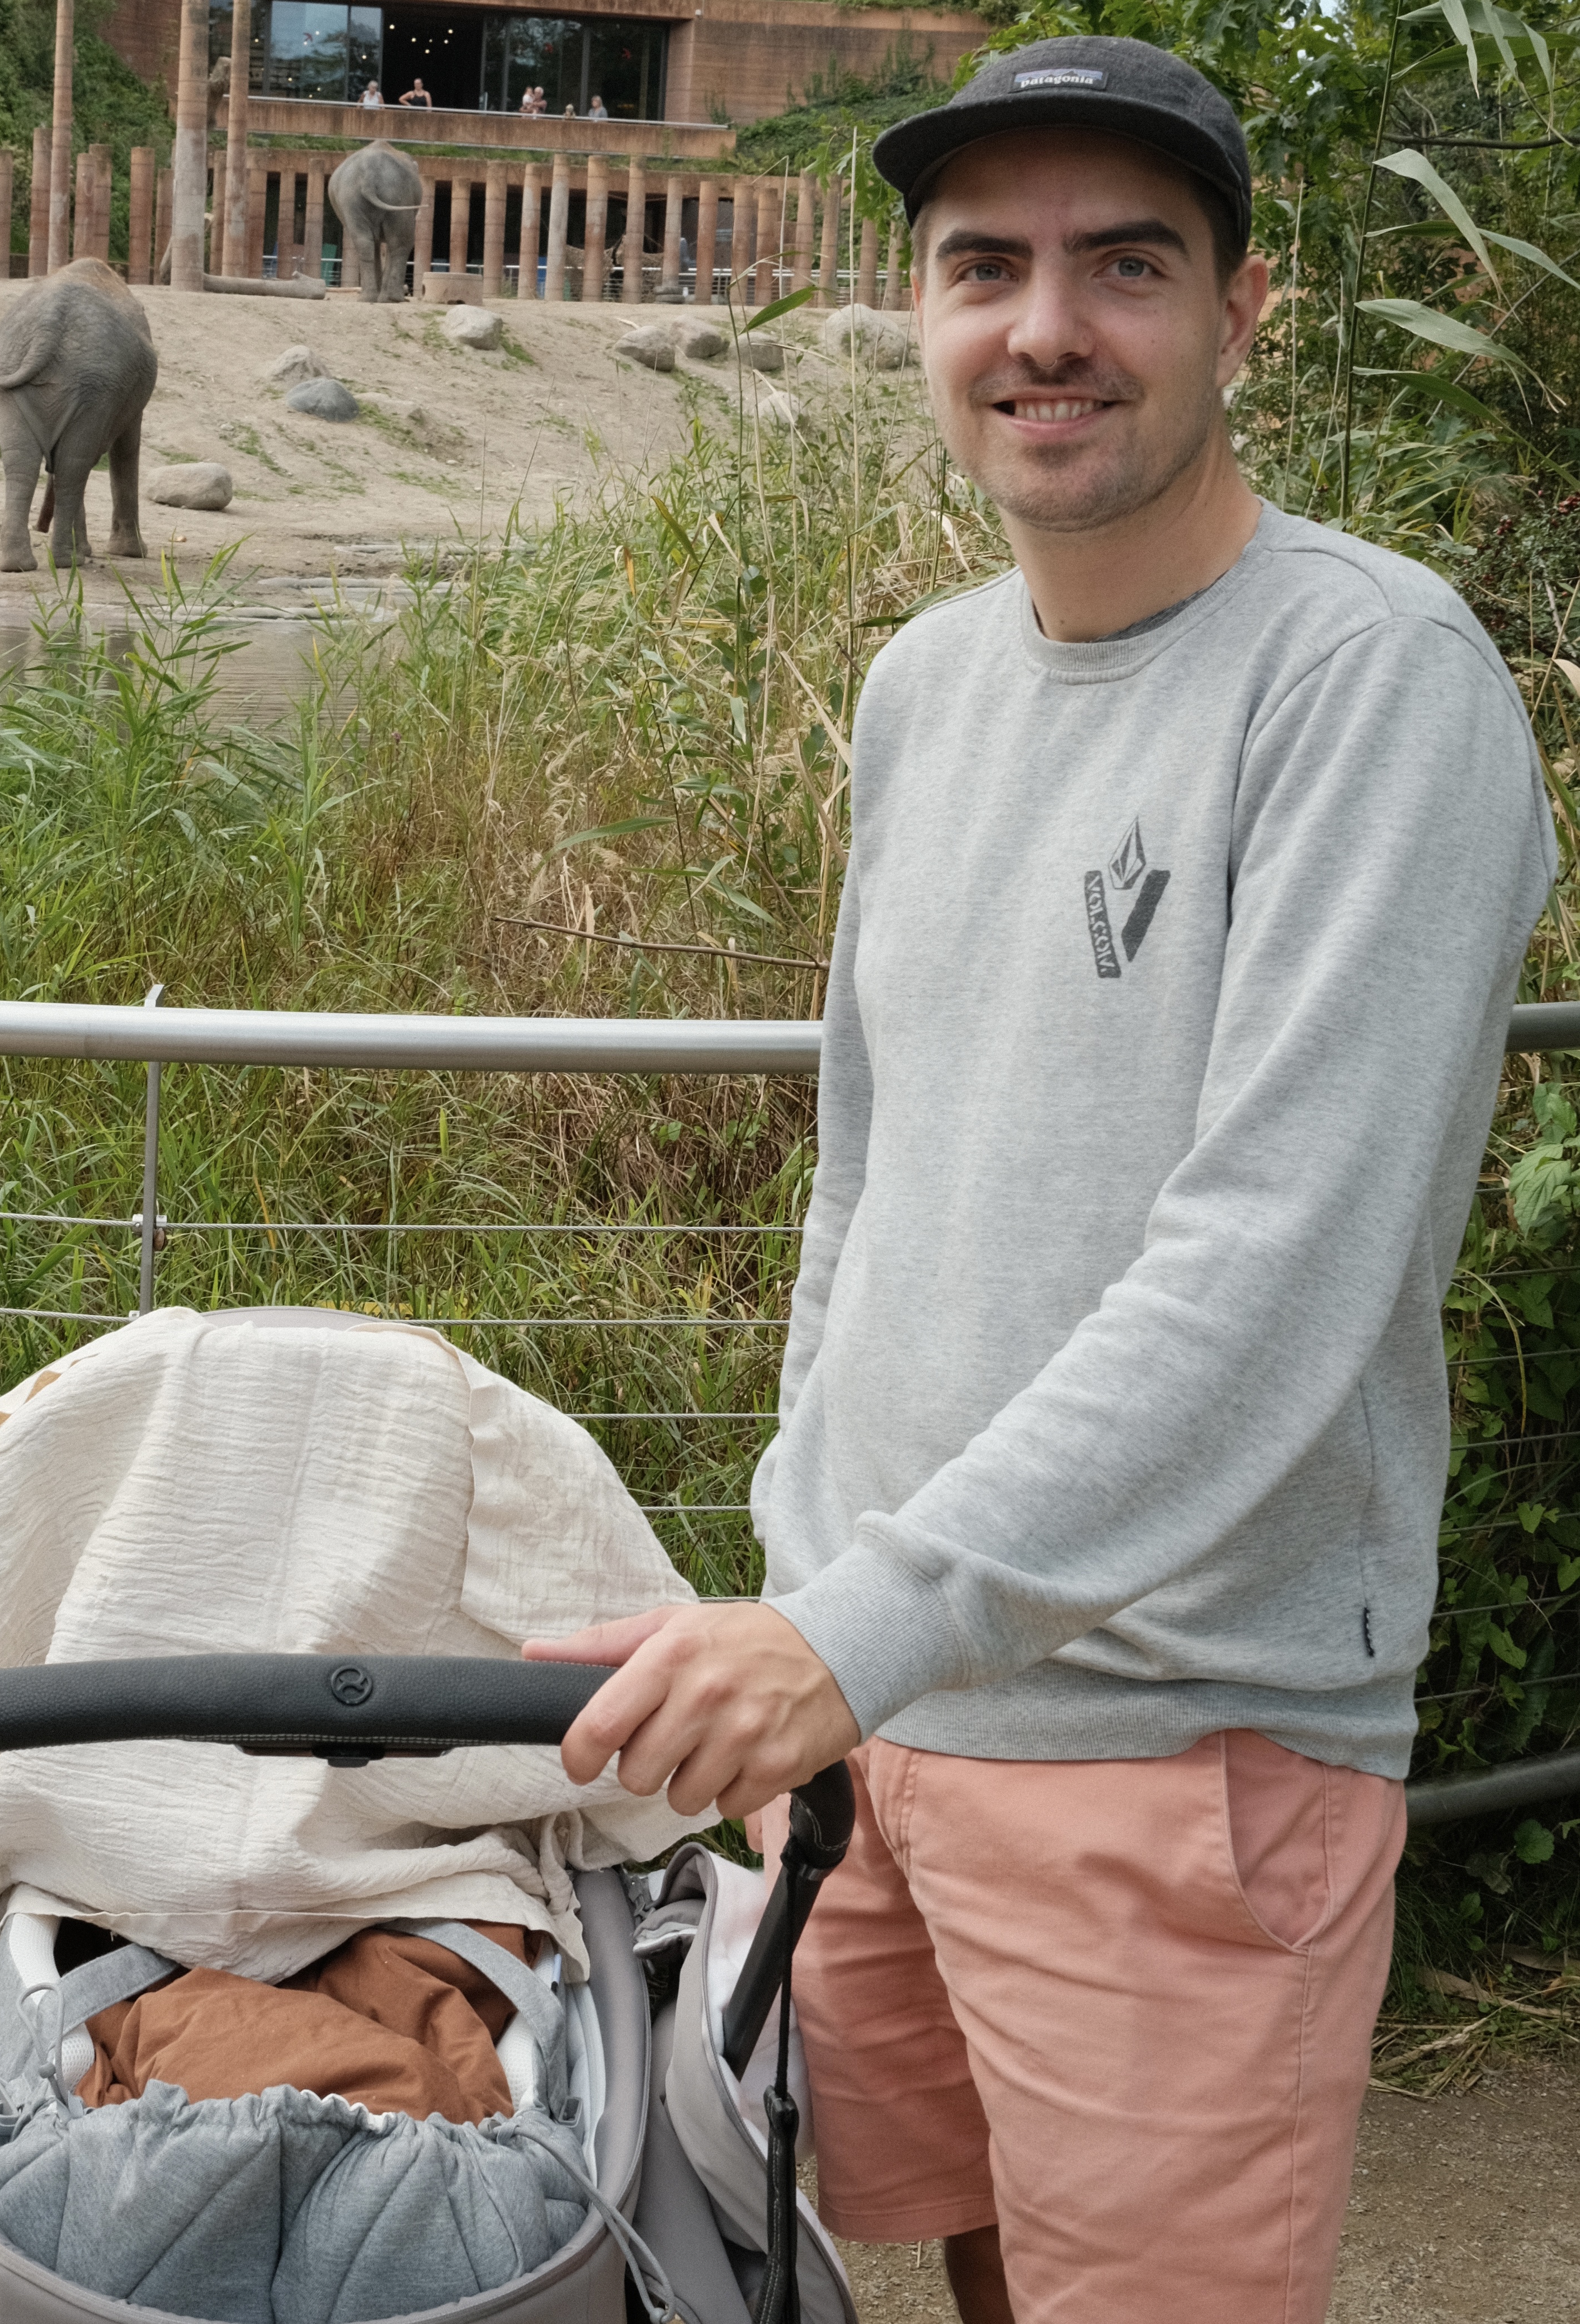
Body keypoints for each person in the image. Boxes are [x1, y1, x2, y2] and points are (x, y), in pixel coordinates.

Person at [525, 32, 1553, 2324]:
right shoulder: (922, 684)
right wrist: (812, 1572)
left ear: (1242, 311)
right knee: (961, 2244)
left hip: (1175, 1745)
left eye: (1124, 264)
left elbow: (1276, 1276)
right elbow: (866, 1171)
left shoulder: (1370, 679)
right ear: (917, 315)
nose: (1043, 326)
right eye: (980, 266)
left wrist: (838, 1626)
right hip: (877, 1702)